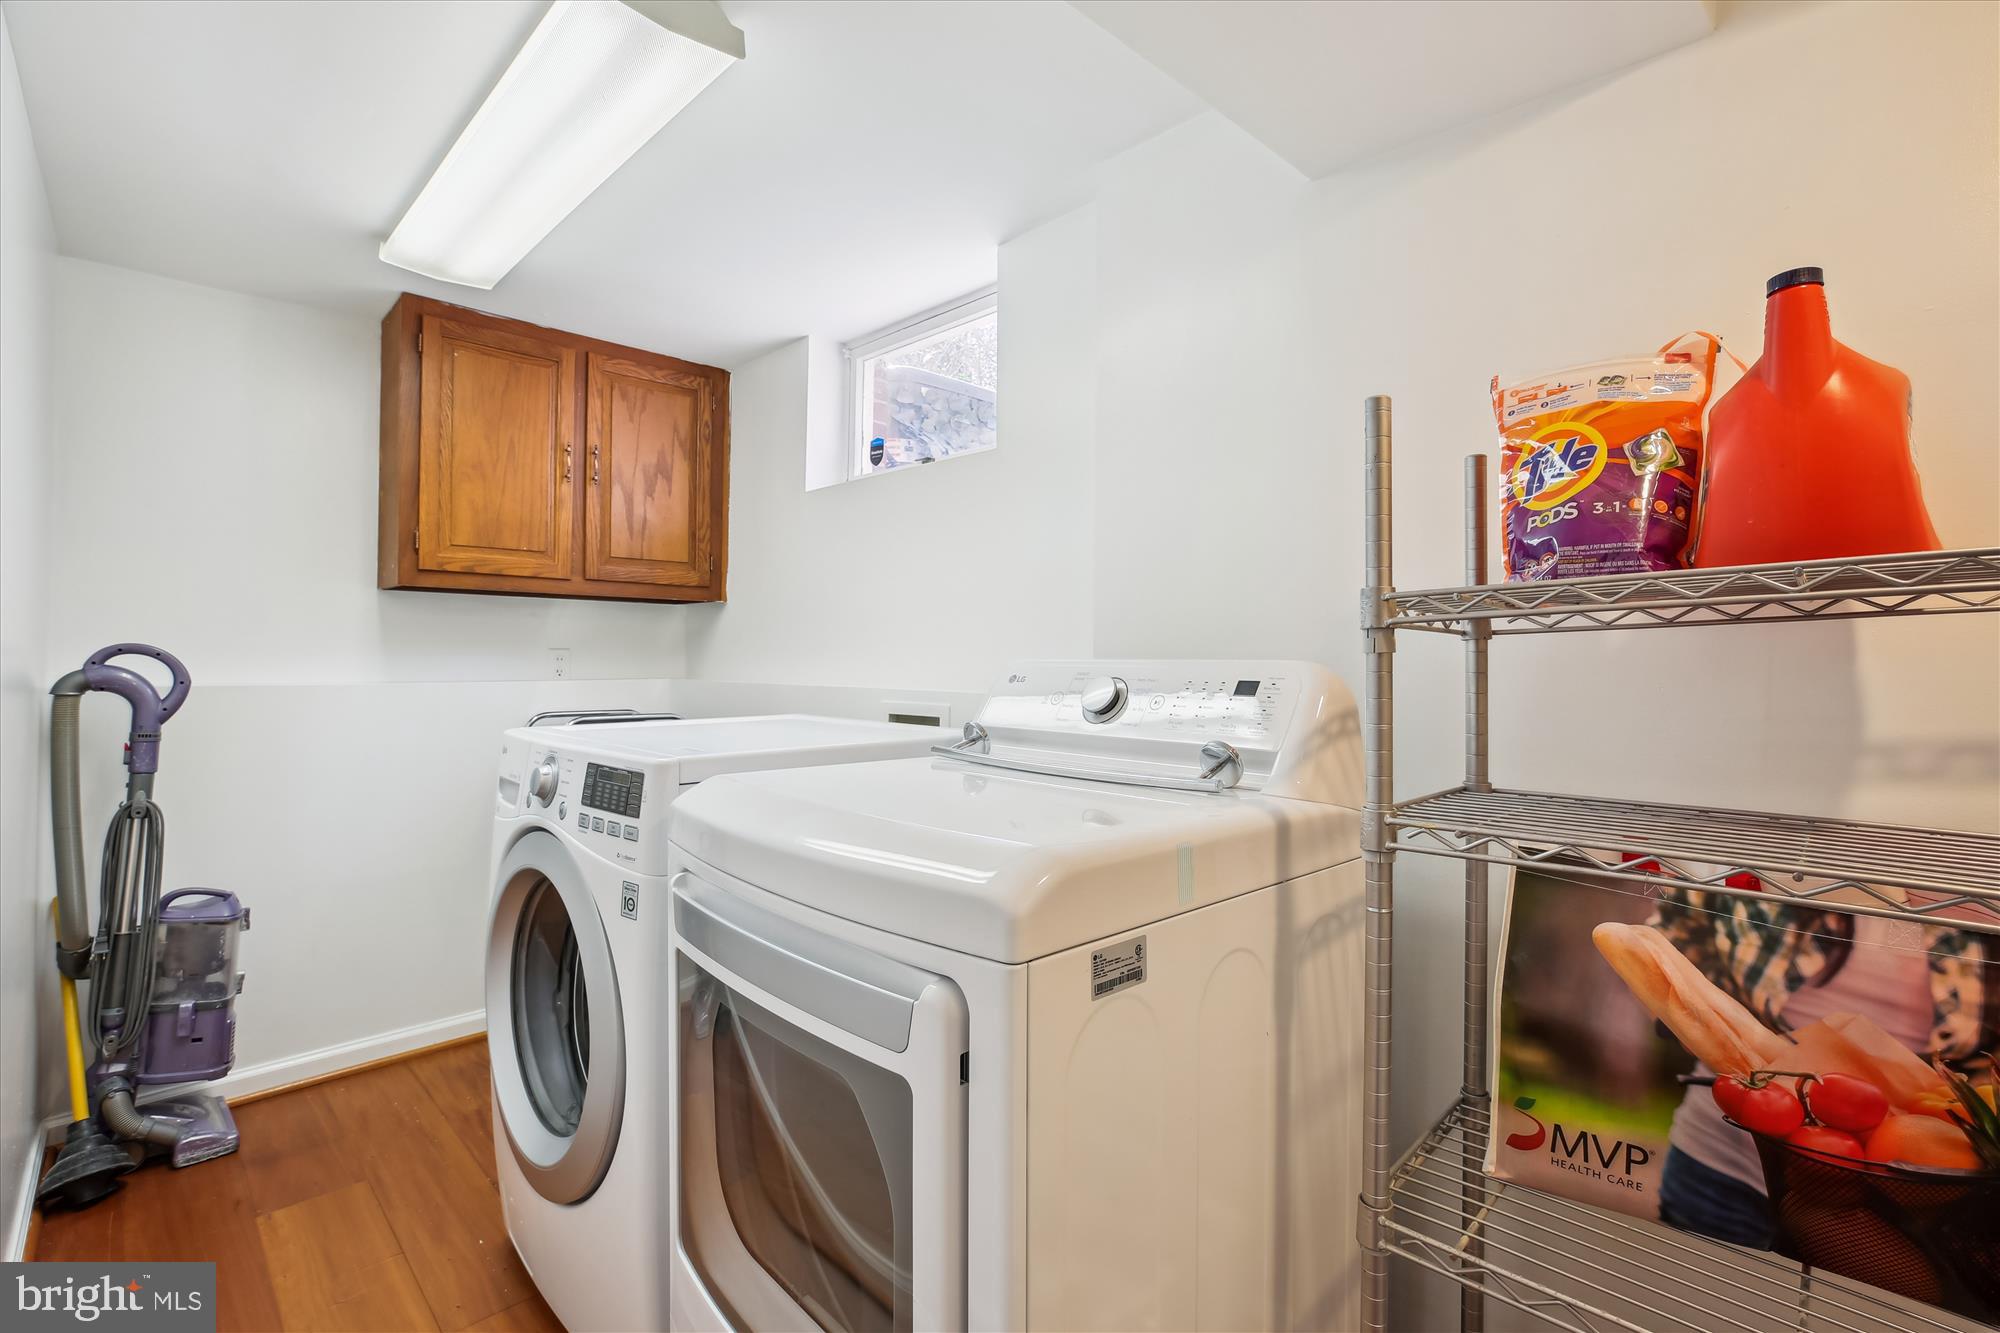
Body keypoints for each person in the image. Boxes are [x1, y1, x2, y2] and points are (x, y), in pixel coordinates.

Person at [1644, 887, 1997, 1248]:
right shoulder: (1777, 860)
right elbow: (1674, 936)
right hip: (1716, 1164)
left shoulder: (1976, 890)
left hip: (1880, 1209)